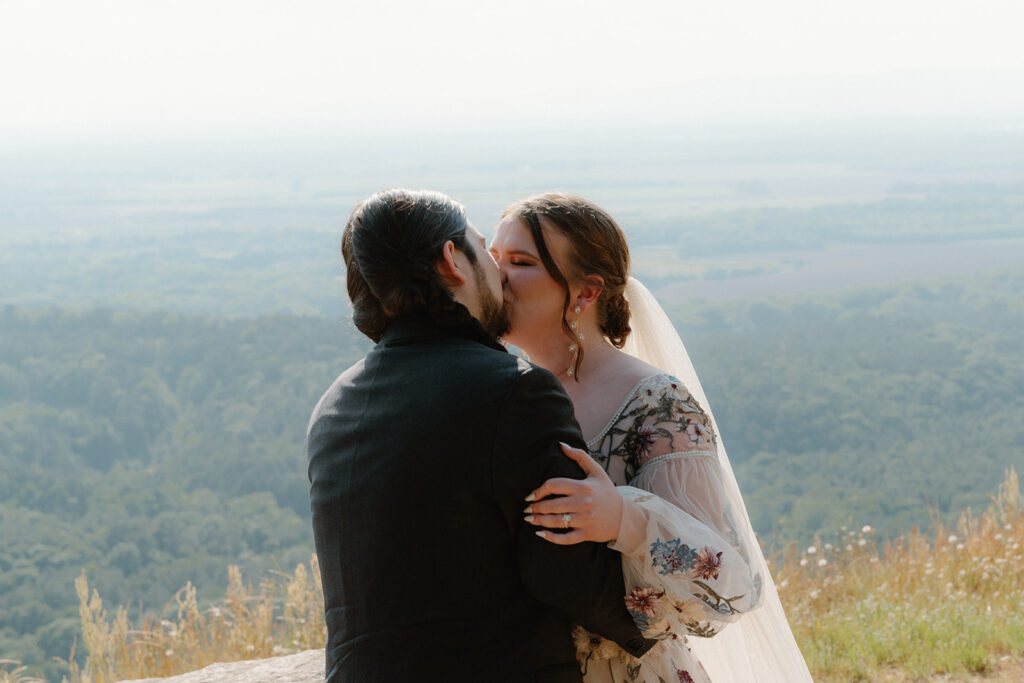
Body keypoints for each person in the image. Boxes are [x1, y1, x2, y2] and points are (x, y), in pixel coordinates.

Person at [306, 188, 655, 683]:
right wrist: (650, 630)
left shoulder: (334, 405)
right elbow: (564, 569)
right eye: (484, 250)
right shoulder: (514, 391)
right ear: (452, 260)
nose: (500, 273)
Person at [488, 193, 813, 683]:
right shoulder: (494, 390)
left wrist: (625, 518)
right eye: (493, 259)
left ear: (587, 292)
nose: (497, 277)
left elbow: (729, 586)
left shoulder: (658, 405)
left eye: (521, 262)